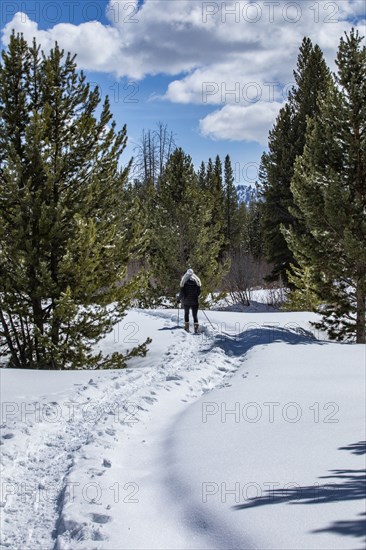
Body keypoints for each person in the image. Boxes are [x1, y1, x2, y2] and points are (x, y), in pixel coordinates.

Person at [177, 268, 201, 333]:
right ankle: (196, 328)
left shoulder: (184, 282)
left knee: (186, 314)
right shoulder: (197, 283)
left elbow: (182, 293)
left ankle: (186, 327)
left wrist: (178, 299)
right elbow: (198, 293)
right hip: (195, 302)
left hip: (186, 302)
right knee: (195, 315)